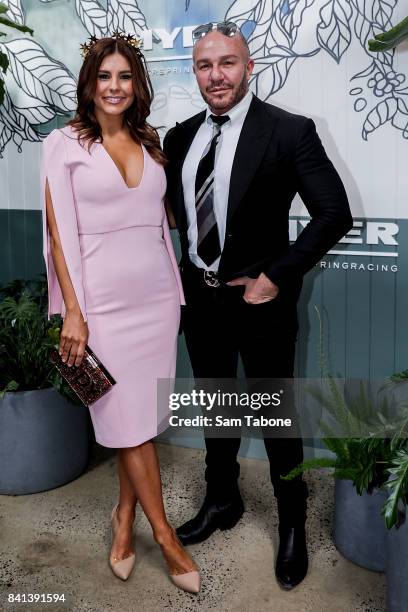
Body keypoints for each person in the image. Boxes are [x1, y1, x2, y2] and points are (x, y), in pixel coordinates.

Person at [163, 21, 353, 590]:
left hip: (260, 297)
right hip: (200, 297)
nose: (215, 75)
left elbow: (333, 214)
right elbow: (179, 215)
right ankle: (223, 500)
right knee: (216, 406)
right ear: (193, 72)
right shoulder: (179, 138)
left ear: (249, 67)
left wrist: (275, 274)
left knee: (275, 417)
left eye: (226, 63)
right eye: (203, 65)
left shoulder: (290, 131)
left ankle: (292, 521)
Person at [41, 32, 200, 593]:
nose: (114, 86)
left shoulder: (149, 139)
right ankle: (166, 535)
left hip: (156, 299)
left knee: (140, 420)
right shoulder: (64, 144)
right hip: (101, 307)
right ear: (89, 83)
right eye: (104, 76)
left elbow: (163, 220)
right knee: (128, 424)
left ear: (137, 85)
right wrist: (73, 314)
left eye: (125, 76)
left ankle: (124, 518)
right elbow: (60, 236)